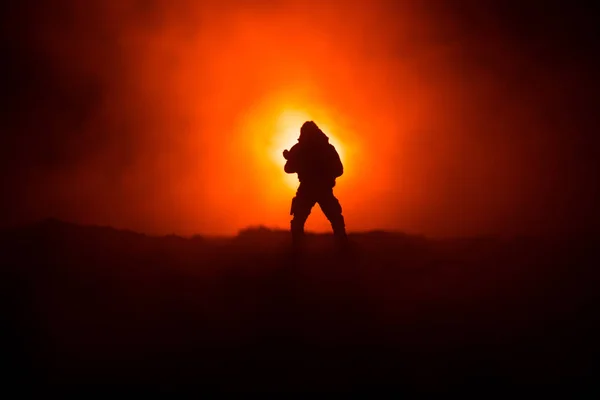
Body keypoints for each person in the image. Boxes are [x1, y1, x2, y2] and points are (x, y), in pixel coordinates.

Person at [283, 121, 348, 249]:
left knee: (300, 221)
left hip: (310, 189)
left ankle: (297, 249)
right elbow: (339, 170)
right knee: (335, 219)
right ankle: (343, 247)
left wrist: (292, 158)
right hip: (320, 189)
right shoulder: (327, 148)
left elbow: (288, 168)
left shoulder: (300, 148)